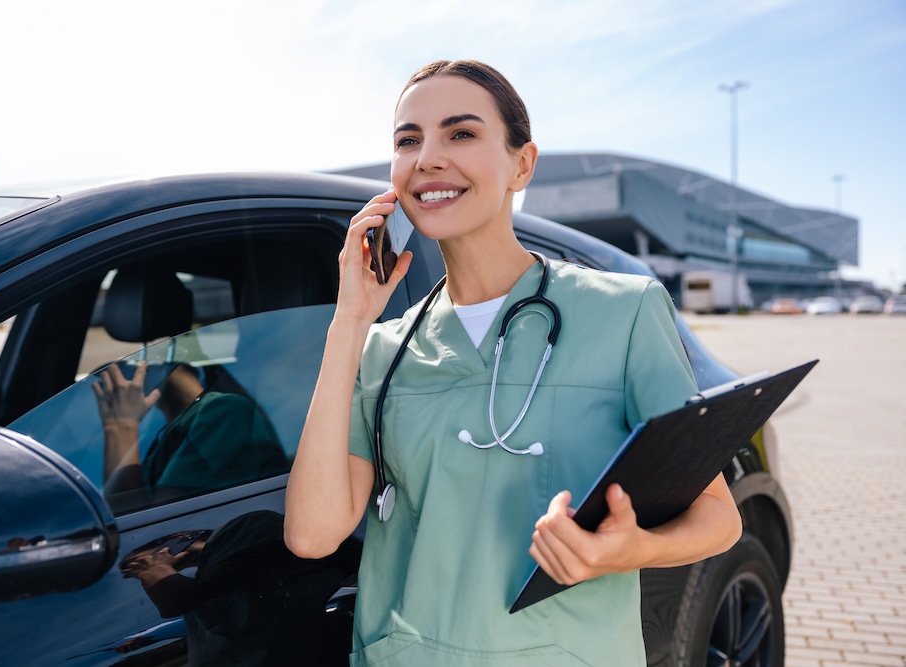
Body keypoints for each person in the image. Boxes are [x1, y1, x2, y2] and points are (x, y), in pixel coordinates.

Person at [284, 60, 742, 666]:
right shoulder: (382, 349)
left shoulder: (624, 313)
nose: (428, 158)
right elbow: (312, 535)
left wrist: (626, 550)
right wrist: (349, 322)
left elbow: (718, 517)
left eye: (462, 133)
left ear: (521, 164)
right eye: (408, 140)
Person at [94, 362, 286, 505]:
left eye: (116, 369)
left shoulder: (222, 410)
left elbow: (153, 523)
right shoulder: (166, 434)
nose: (110, 385)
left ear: (155, 362)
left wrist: (120, 425)